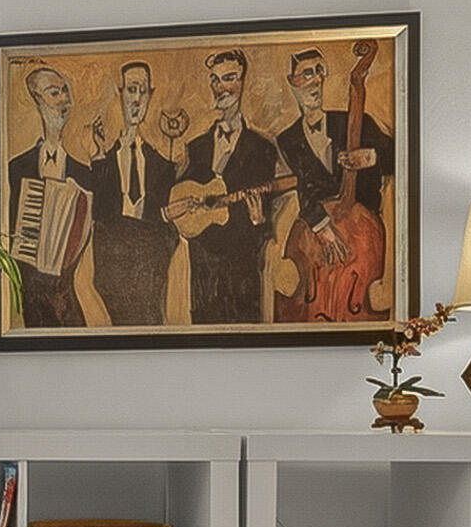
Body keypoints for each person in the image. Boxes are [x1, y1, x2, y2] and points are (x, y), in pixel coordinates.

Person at [166, 48, 285, 324]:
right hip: (203, 275)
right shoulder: (196, 147)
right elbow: (183, 206)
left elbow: (266, 223)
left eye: (229, 78)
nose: (221, 88)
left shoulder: (262, 149)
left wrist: (258, 221)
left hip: (241, 272)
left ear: (242, 81)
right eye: (215, 80)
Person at [88, 59, 184, 327]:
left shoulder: (161, 164)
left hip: (150, 275)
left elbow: (165, 225)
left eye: (143, 91)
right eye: (131, 90)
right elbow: (100, 218)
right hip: (115, 273)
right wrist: (99, 156)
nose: (137, 99)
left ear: (151, 96)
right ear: (120, 94)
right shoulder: (103, 161)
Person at [2, 64, 96, 329]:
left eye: (65, 91)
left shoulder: (83, 172)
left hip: (66, 289)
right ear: (37, 100)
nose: (64, 99)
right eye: (54, 93)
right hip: (31, 286)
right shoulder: (17, 168)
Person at [269, 47, 383, 265]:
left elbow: (399, 159)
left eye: (319, 71)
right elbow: (305, 188)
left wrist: (371, 157)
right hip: (321, 239)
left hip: (364, 234)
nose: (316, 80)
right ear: (292, 81)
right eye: (307, 73)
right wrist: (320, 226)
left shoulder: (356, 121)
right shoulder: (288, 140)